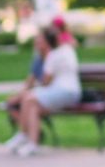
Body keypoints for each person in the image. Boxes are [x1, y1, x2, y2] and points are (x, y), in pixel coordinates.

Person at [5, 26, 80, 157]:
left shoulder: (52, 55)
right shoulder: (68, 49)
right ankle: (32, 144)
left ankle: (23, 134)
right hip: (74, 91)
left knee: (28, 98)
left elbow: (46, 82)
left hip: (63, 92)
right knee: (33, 108)